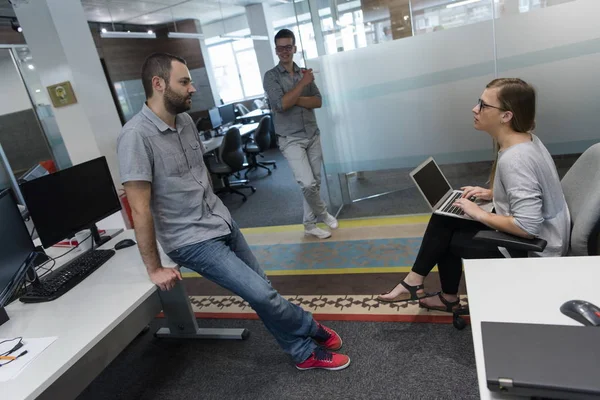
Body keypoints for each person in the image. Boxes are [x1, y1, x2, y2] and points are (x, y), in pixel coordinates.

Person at [117, 53, 350, 371]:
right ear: (158, 84)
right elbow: (140, 209)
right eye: (184, 82)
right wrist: (154, 267)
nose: (192, 88)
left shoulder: (185, 121)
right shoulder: (135, 137)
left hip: (220, 218)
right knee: (263, 294)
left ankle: (302, 352)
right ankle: (310, 327)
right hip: (191, 239)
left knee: (263, 290)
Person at [377, 78, 570, 311]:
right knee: (445, 216)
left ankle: (428, 289)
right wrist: (494, 193)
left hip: (537, 249)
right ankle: (417, 282)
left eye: (483, 105)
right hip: (548, 230)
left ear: (506, 116)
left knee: (447, 240)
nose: (475, 109)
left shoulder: (515, 159)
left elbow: (528, 228)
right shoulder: (526, 139)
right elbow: (534, 188)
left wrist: (479, 214)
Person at [263, 29, 339, 240]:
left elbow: (318, 101)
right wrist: (302, 86)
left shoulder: (304, 73)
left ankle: (309, 225)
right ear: (276, 50)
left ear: (294, 48)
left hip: (312, 133)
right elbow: (280, 105)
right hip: (290, 138)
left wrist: (293, 97)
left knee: (315, 182)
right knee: (306, 183)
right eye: (280, 48)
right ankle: (322, 213)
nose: (284, 51)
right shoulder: (271, 77)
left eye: (288, 47)